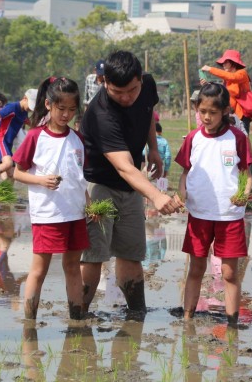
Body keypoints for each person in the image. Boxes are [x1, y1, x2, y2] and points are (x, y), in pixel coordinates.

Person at [80, 50, 183, 317]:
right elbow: (124, 166)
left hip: (131, 186)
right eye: (117, 92)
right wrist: (157, 195)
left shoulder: (147, 86)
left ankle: (137, 312)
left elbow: (148, 112)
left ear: (140, 80)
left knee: (131, 251)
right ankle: (79, 315)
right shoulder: (99, 113)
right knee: (94, 254)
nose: (126, 98)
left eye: (132, 90)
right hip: (99, 185)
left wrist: (154, 149)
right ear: (104, 83)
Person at [175, 82, 252, 325]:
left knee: (229, 273)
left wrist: (245, 193)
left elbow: (247, 174)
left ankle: (232, 322)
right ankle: (188, 317)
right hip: (199, 213)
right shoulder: (193, 138)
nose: (206, 117)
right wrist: (181, 194)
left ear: (226, 112)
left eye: (213, 112)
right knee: (196, 269)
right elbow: (185, 173)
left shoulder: (237, 138)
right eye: (202, 111)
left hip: (229, 215)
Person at [12, 77, 89, 320]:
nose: (66, 115)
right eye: (61, 109)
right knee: (39, 270)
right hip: (47, 214)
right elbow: (16, 172)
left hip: (75, 213)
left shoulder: (78, 139)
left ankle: (77, 317)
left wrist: (88, 203)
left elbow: (78, 176)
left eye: (71, 110)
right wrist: (41, 180)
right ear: (48, 105)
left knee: (73, 267)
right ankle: (29, 320)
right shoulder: (36, 137)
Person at [0, 89, 37, 180]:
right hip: (0, 139)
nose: (30, 109)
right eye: (30, 105)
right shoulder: (12, 107)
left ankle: (5, 193)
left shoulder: (24, 112)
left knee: (12, 175)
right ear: (25, 98)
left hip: (8, 143)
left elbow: (28, 122)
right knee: (8, 164)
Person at [200, 49, 252, 133]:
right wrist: (208, 85)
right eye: (222, 63)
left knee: (242, 142)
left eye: (225, 62)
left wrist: (210, 69)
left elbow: (232, 77)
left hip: (241, 115)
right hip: (229, 115)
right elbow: (221, 93)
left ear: (233, 63)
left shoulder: (242, 73)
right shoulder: (226, 79)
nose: (223, 65)